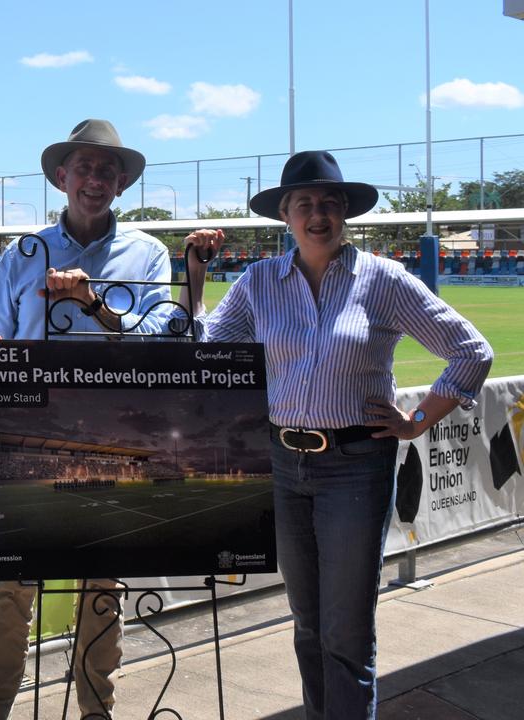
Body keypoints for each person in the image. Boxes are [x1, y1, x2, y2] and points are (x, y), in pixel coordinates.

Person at [179, 150, 493, 719]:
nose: (317, 214)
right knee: (306, 625)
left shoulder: (382, 279)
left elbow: (471, 352)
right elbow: (208, 350)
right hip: (282, 464)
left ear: (344, 212)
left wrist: (416, 421)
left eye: (328, 203)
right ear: (285, 215)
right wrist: (195, 271)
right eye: (304, 204)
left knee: (345, 634)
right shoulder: (258, 281)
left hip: (354, 465)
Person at [0, 118, 191, 720]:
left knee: (102, 584)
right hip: (29, 437)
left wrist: (89, 304)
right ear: (62, 177)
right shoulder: (24, 253)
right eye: (83, 168)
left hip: (115, 437)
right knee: (13, 584)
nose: (94, 179)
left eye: (106, 170)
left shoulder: (147, 254)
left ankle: (97, 710)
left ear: (121, 183)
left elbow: (163, 346)